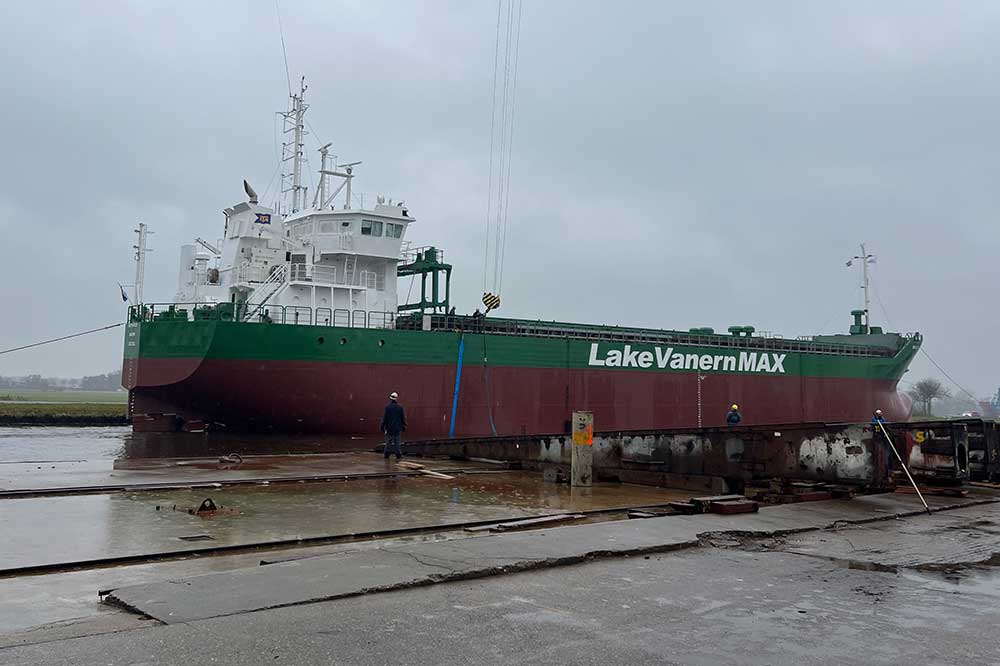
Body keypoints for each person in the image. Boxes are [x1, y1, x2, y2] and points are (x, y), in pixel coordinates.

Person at [380, 391, 407, 459]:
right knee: (397, 442)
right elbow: (402, 417)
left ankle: (386, 455)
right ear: (396, 398)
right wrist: (404, 425)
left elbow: (385, 418)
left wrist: (382, 426)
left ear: (390, 398)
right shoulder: (400, 407)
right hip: (398, 428)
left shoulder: (387, 407)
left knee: (389, 441)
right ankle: (398, 455)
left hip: (389, 428)